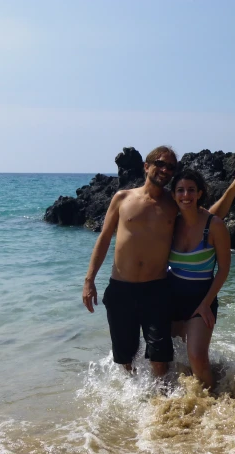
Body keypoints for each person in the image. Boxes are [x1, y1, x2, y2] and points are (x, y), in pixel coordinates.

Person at [82, 146, 179, 378]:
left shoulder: (174, 204)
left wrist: (233, 188)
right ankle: (134, 405)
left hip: (156, 289)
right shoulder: (122, 198)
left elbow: (204, 219)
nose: (165, 169)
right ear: (147, 166)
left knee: (160, 357)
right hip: (121, 289)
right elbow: (104, 238)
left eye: (171, 167)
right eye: (160, 163)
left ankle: (163, 406)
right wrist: (89, 280)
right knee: (126, 358)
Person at [168, 168, 235, 389]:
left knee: (197, 357)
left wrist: (206, 304)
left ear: (200, 193)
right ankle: (185, 402)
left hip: (201, 299)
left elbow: (223, 269)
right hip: (171, 299)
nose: (185, 195)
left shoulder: (214, 226)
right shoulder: (171, 223)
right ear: (173, 194)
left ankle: (212, 403)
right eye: (180, 190)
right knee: (175, 357)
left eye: (191, 190)